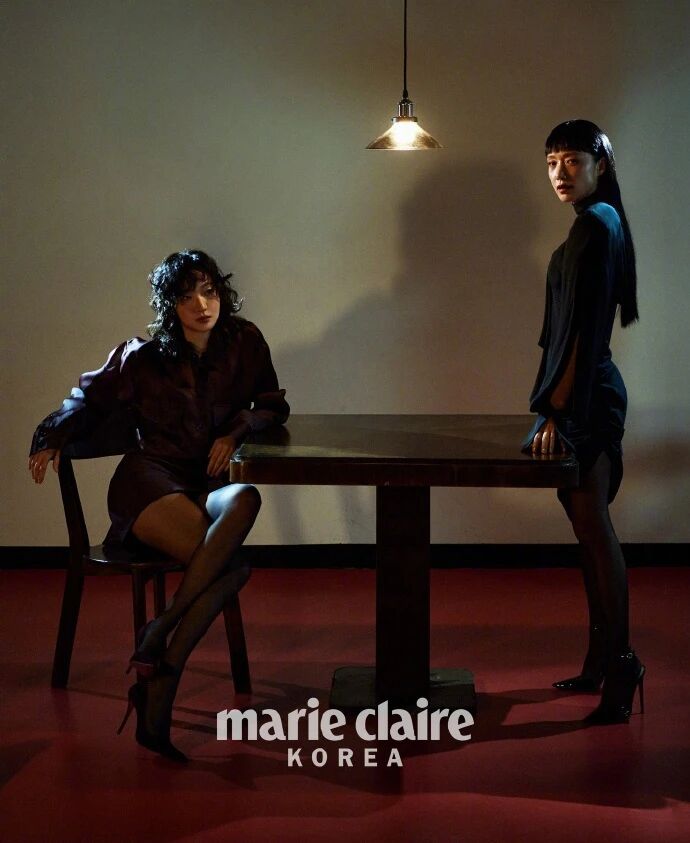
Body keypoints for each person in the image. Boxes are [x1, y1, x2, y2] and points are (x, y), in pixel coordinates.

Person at [29, 249, 289, 760]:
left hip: (208, 482)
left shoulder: (245, 342)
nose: (201, 305)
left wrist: (235, 430)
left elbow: (273, 406)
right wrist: (51, 435)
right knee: (231, 569)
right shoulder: (141, 357)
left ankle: (160, 631)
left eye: (209, 292)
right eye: (186, 295)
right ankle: (162, 679)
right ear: (170, 304)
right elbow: (84, 399)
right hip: (149, 482)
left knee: (246, 498)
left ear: (222, 293)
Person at [522, 120, 644, 725]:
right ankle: (601, 661)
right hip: (589, 393)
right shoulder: (599, 223)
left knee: (594, 530)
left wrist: (556, 410)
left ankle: (620, 666)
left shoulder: (596, 226)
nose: (560, 173)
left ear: (601, 164)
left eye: (572, 159)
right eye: (551, 162)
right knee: (588, 530)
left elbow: (580, 339)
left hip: (587, 398)